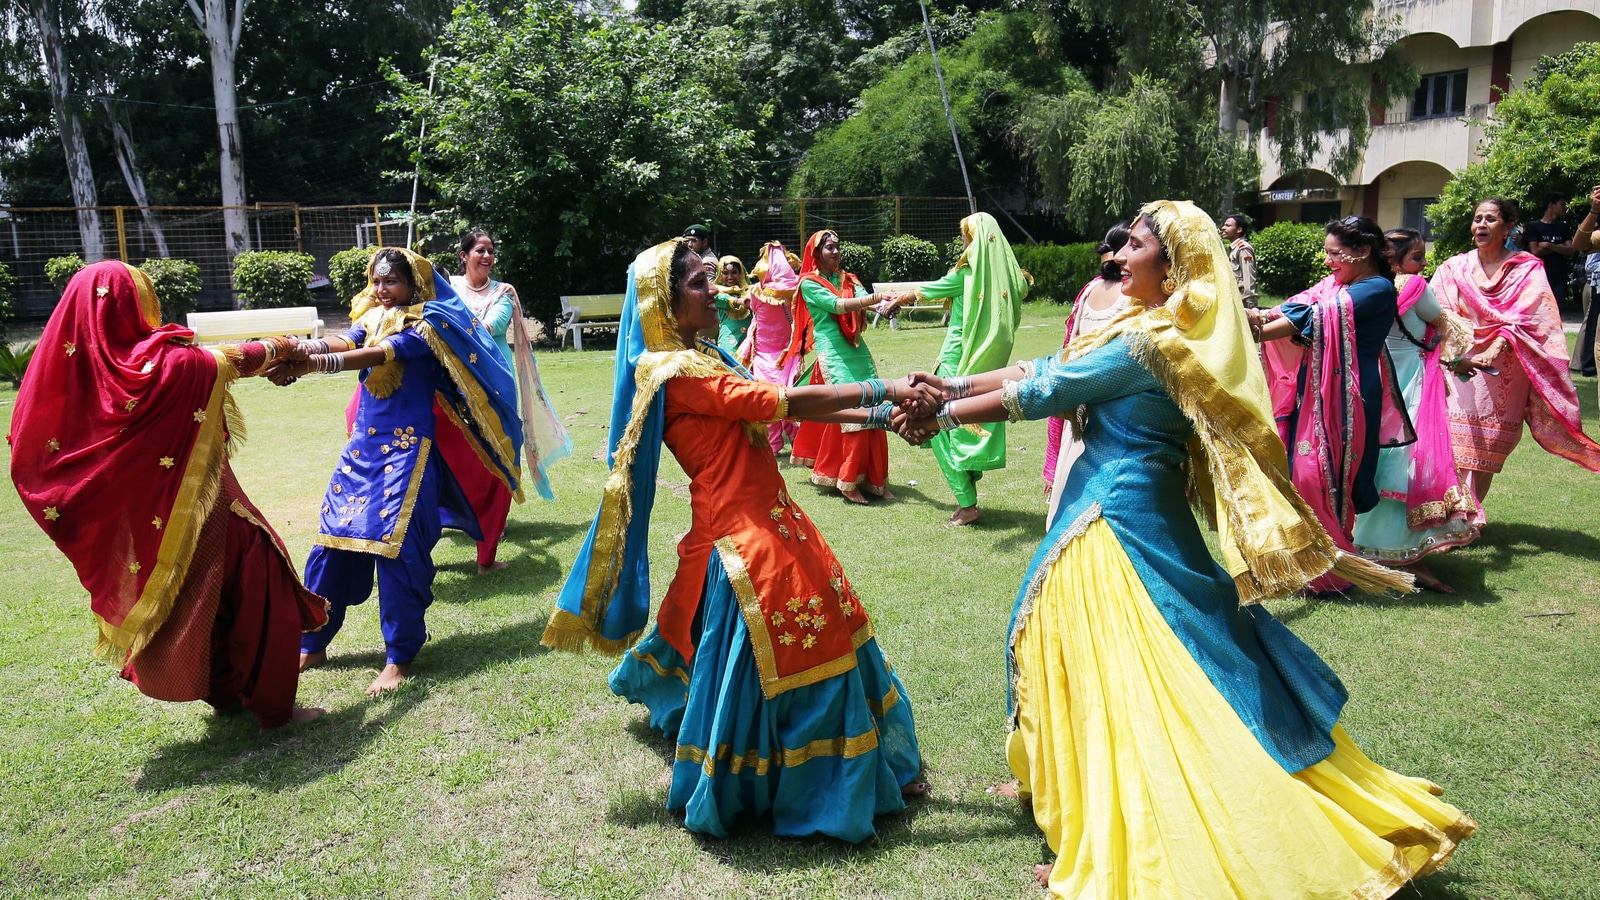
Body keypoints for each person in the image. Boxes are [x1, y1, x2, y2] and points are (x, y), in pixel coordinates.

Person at [896, 201, 1472, 898]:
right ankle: (1066, 788)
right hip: (1120, 512)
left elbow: (1046, 391)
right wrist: (950, 386)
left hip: (1118, 525)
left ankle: (1129, 827)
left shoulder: (1153, 342)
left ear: (1173, 269)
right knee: (1099, 658)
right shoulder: (1150, 328)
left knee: (1134, 682)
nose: (1119, 256)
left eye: (1135, 246)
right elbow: (1044, 366)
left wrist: (939, 413)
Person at [540, 238, 929, 841]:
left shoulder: (708, 352)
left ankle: (841, 764)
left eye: (709, 278)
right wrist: (887, 390)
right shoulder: (669, 370)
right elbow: (781, 400)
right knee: (796, 641)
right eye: (696, 283)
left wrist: (882, 418)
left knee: (816, 627)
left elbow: (789, 412)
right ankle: (802, 782)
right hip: (739, 533)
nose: (714, 290)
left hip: (770, 512)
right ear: (663, 303)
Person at [10, 261, 329, 729]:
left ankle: (227, 695)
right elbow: (233, 360)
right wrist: (286, 346)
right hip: (211, 504)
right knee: (261, 587)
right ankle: (275, 710)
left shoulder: (81, 375)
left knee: (201, 598)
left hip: (155, 525)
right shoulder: (163, 365)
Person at [281, 248, 525, 696]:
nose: (380, 289)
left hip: (408, 455)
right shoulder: (372, 315)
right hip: (362, 451)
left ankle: (399, 657)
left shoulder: (429, 326)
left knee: (399, 554)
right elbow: (350, 340)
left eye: (390, 281)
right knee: (331, 542)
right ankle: (313, 642)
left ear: (414, 283)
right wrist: (305, 347)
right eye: (376, 281)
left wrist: (314, 363)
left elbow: (383, 353)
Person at [1250, 215, 1413, 593]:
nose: (1327, 262)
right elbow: (1295, 307)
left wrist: (1254, 325)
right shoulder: (1337, 284)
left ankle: (1332, 575)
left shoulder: (1377, 289)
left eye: (1335, 253)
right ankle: (1305, 563)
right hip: (1317, 385)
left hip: (1349, 395)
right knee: (1301, 471)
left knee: (1326, 474)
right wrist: (1257, 322)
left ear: (1364, 252)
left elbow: (1311, 316)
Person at [1435, 198, 1600, 505]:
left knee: (1489, 446)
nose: (1481, 225)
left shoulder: (1526, 268)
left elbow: (1531, 317)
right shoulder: (1454, 267)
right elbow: (1439, 312)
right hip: (1461, 361)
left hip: (1507, 368)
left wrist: (1495, 346)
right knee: (1455, 441)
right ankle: (1453, 513)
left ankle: (1470, 512)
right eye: (1477, 219)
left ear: (1509, 227)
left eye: (1490, 219)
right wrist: (1460, 352)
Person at [1349, 229, 1479, 592]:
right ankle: (1406, 556)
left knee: (1377, 461)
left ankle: (1364, 546)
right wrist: (1454, 356)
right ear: (1394, 259)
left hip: (1376, 380)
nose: (1423, 264)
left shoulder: (1366, 286)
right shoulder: (1416, 288)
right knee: (1408, 465)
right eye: (1417, 257)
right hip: (1410, 384)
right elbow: (1444, 323)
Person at [445, 231, 572, 572]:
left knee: (498, 446)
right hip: (456, 380)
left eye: (491, 251)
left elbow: (490, 327)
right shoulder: (450, 288)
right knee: (460, 446)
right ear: (463, 255)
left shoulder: (503, 293)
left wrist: (450, 325)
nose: (486, 256)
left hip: (495, 381)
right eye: (479, 251)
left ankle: (493, 521)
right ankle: (459, 512)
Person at [901, 212, 1029, 525]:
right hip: (984, 369)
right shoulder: (1010, 279)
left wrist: (894, 299)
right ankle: (968, 482)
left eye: (965, 236)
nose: (962, 242)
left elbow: (928, 290)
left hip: (953, 366)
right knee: (962, 424)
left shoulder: (966, 275)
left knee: (939, 429)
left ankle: (967, 504)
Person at [790, 230, 905, 503]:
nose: (835, 252)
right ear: (816, 253)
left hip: (857, 351)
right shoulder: (808, 283)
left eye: (837, 247)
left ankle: (877, 482)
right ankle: (847, 481)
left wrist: (885, 308)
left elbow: (861, 299)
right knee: (851, 414)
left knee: (877, 406)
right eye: (829, 248)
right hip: (834, 355)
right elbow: (838, 306)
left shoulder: (848, 279)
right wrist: (876, 299)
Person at [1042, 221, 1130, 525]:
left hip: (1078, 399)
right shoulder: (1132, 295)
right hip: (1112, 407)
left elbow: (1071, 344)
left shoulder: (1090, 289)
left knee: (1070, 474)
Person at [737, 241, 806, 454]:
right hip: (787, 354)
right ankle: (797, 441)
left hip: (763, 355)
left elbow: (750, 307)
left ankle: (775, 444)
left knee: (767, 400)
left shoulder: (757, 292)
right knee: (788, 400)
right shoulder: (795, 290)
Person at [1523, 192, 1576, 310]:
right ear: (1551, 205)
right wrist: (1560, 247)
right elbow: (1535, 251)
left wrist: (1548, 245)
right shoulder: (1534, 226)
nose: (1565, 207)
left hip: (1559, 276)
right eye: (1562, 204)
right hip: (1539, 275)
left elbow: (1571, 250)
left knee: (1557, 310)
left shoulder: (1563, 227)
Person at [712, 255, 752, 354]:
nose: (730, 277)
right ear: (720, 275)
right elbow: (720, 299)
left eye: (734, 273)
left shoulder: (749, 291)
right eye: (725, 273)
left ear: (740, 273)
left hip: (748, 339)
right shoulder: (717, 292)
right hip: (728, 340)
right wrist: (738, 302)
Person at [1222, 212, 1258, 307]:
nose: (1223, 228)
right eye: (1224, 225)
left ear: (1239, 229)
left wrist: (1250, 302)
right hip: (1233, 297)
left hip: (1242, 300)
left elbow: (1248, 276)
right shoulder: (1233, 248)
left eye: (1228, 226)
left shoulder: (1243, 249)